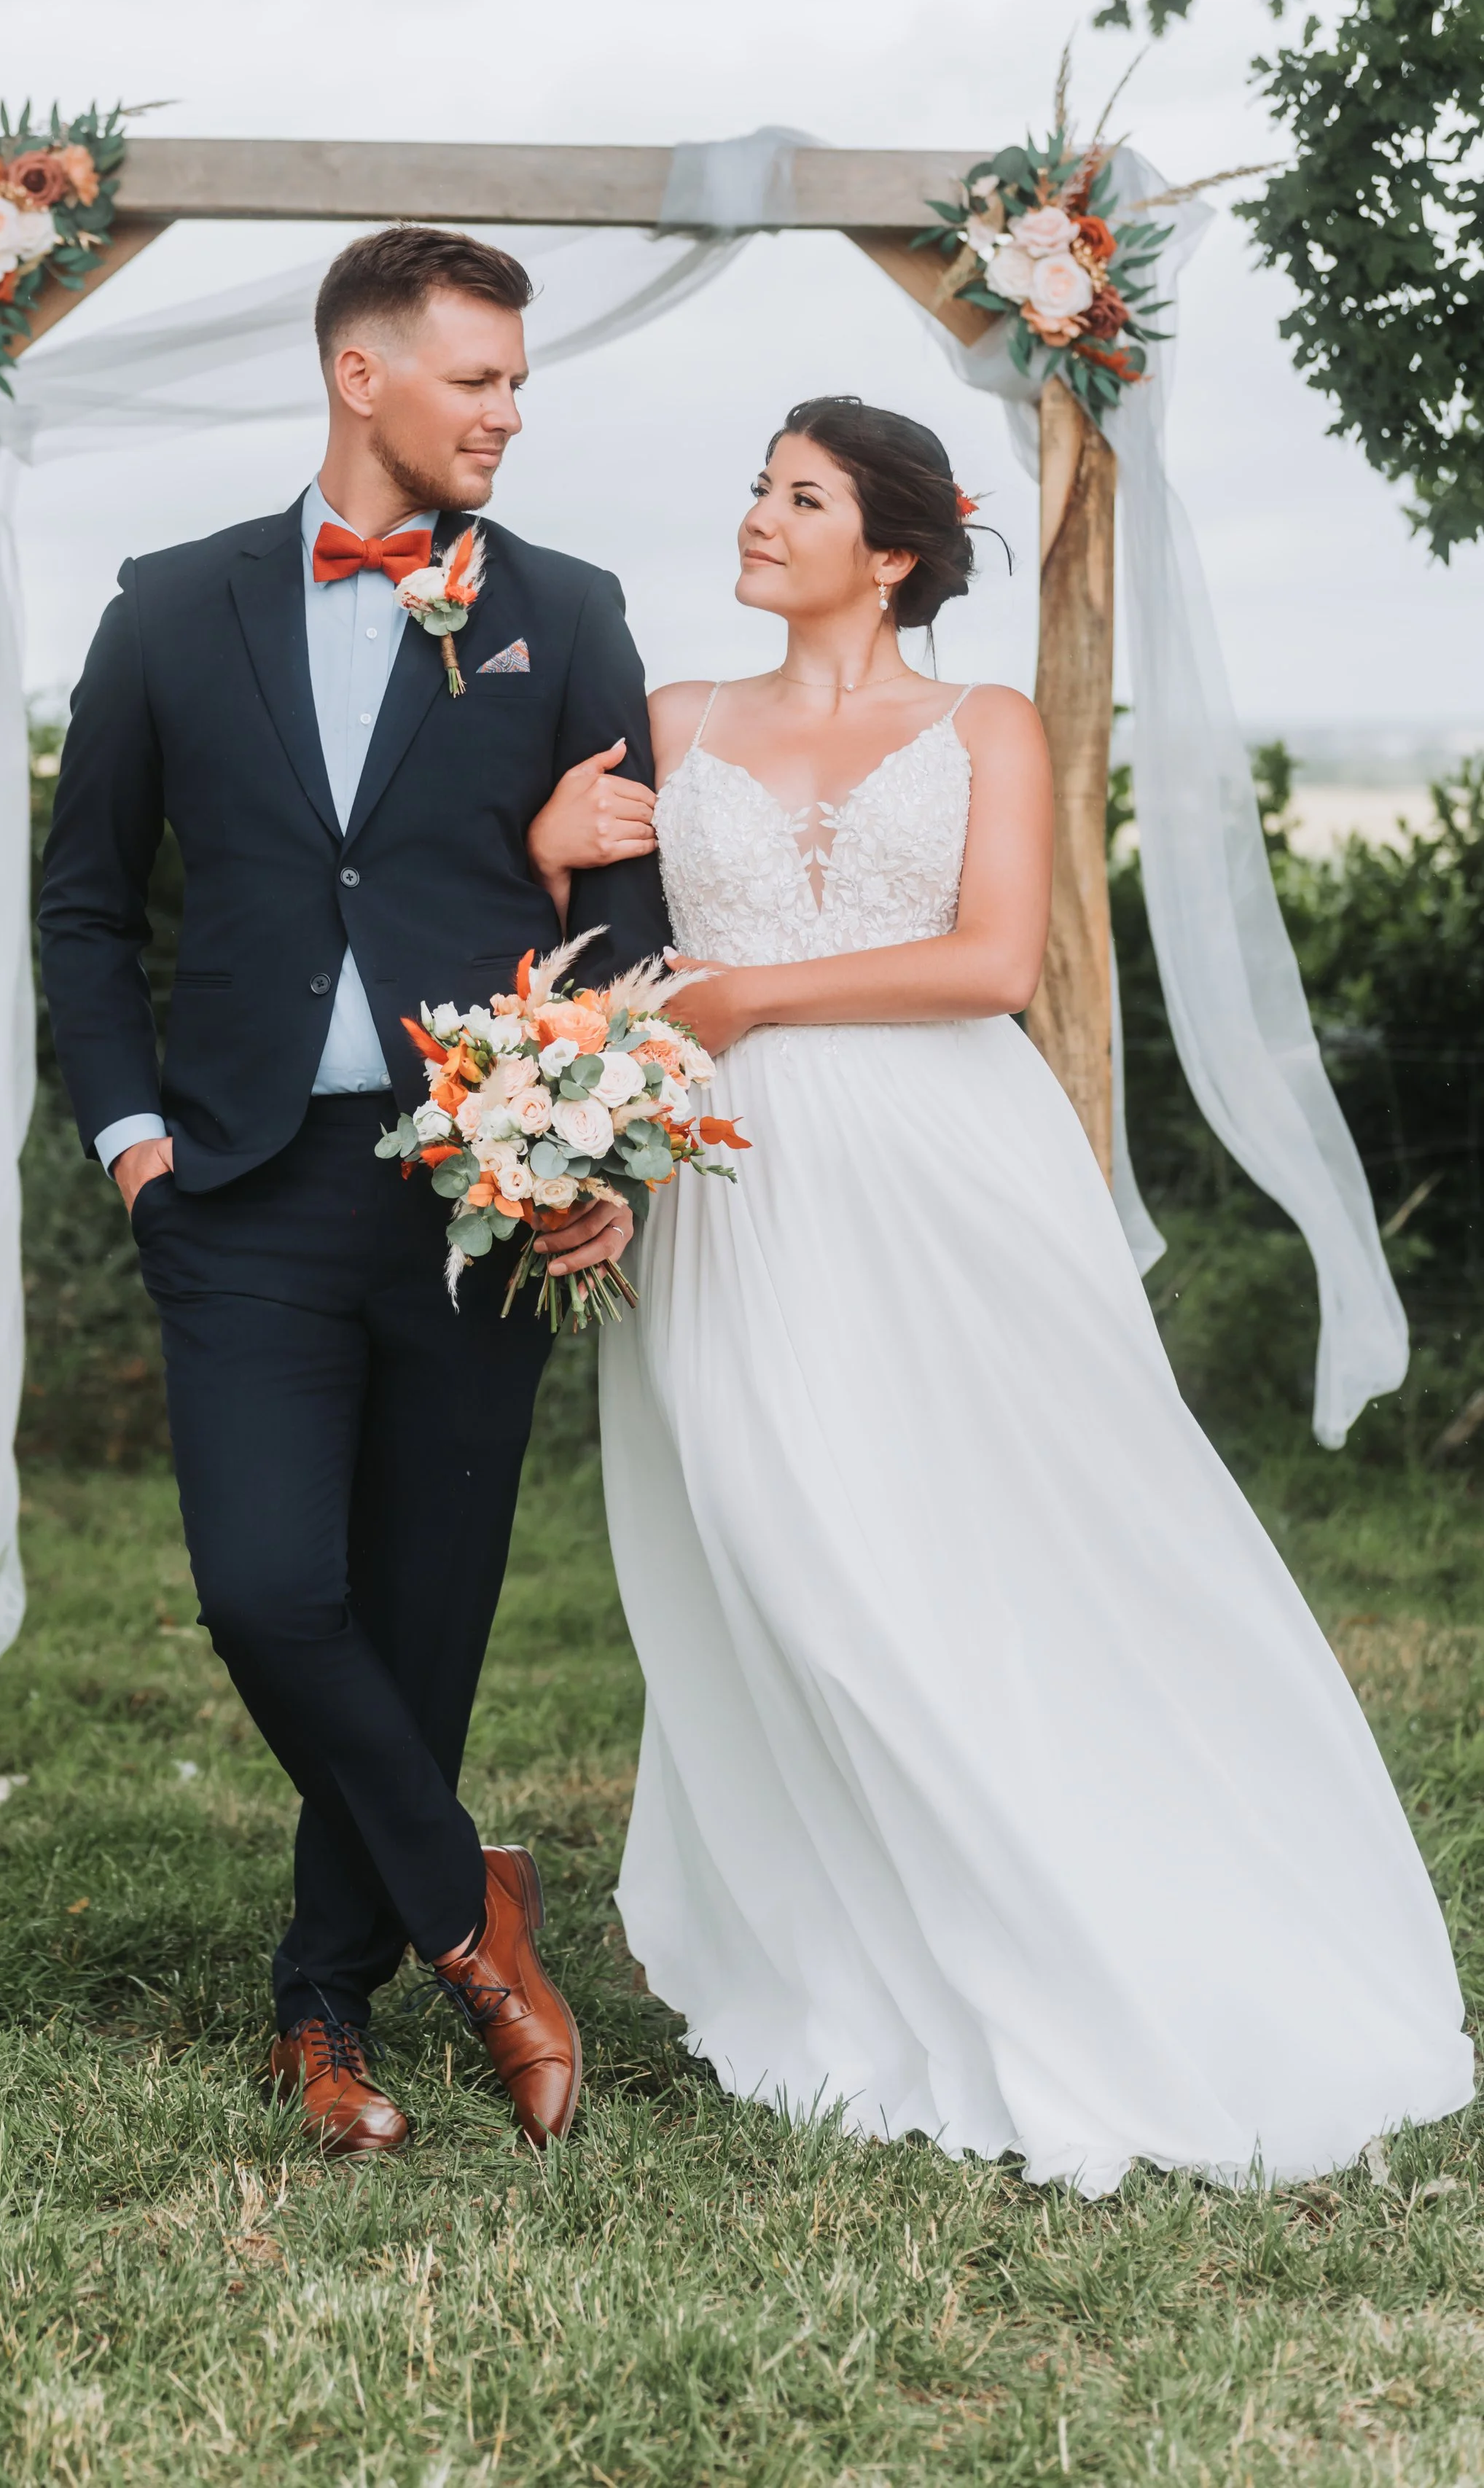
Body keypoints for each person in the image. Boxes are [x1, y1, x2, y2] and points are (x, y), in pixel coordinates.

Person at [531, 396, 1472, 2194]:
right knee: (781, 1542)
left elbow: (985, 962)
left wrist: (743, 1001)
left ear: (885, 550)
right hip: (734, 1193)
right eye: (751, 484)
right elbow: (594, 942)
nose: (753, 514)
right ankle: (868, 1942)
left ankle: (1088, 1923)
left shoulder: (983, 725)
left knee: (1007, 1539)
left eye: (793, 496)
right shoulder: (670, 722)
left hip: (951, 1175)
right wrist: (544, 846)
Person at [37, 226, 669, 2159]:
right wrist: (131, 1136)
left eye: (514, 382)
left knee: (416, 1621)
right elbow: (81, 903)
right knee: (266, 1586)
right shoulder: (168, 607)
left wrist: (601, 1160)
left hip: (475, 1194)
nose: (506, 411)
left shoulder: (563, 606)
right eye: (475, 378)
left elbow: (628, 919)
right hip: (231, 1182)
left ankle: (324, 2011)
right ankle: (473, 1919)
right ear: (360, 375)